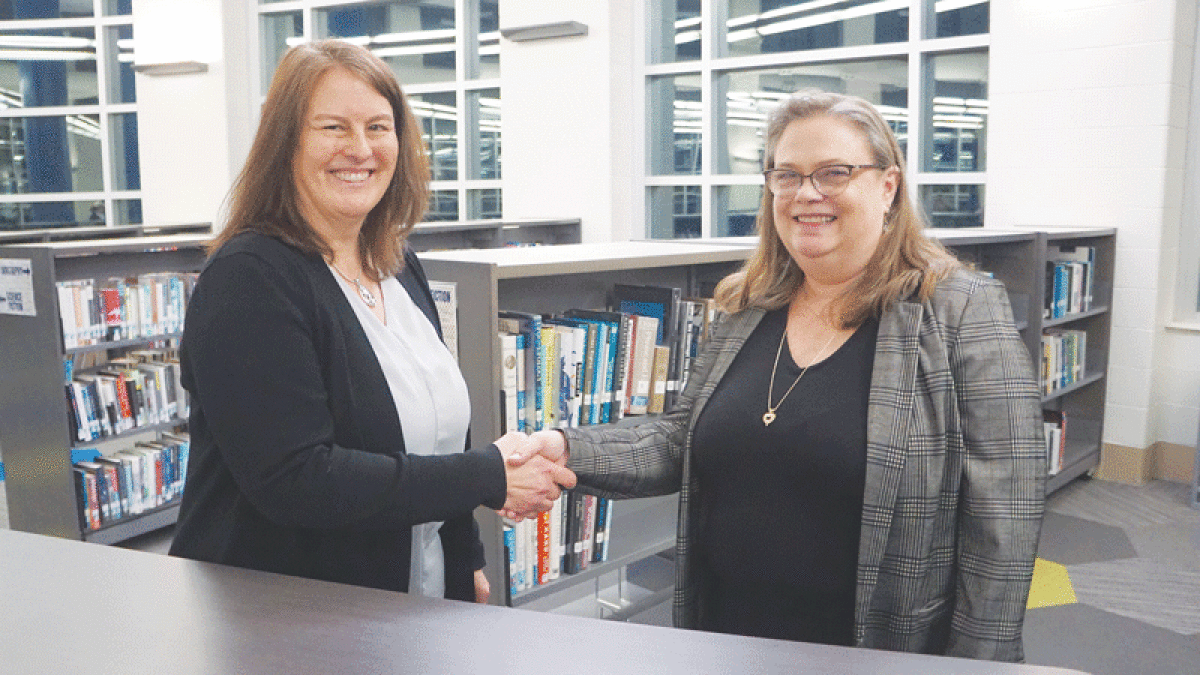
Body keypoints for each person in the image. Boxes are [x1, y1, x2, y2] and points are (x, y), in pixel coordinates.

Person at [511, 90, 1044, 661]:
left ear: (887, 186)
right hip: (726, 636)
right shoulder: (749, 307)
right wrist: (566, 450)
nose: (806, 193)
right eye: (786, 175)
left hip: (875, 647)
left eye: (834, 173)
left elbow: (1003, 522)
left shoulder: (958, 310)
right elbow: (679, 439)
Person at [169, 40, 575, 604]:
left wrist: (465, 561)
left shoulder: (397, 263)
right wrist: (487, 475)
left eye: (379, 127)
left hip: (411, 599)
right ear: (285, 142)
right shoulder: (249, 279)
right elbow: (299, 481)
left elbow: (437, 436)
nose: (359, 149)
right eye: (333, 128)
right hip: (285, 617)